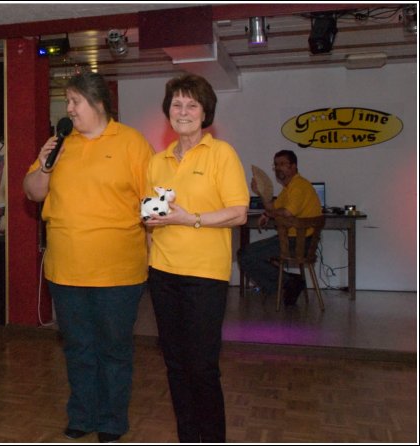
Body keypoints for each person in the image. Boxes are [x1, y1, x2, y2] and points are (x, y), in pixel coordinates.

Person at [22, 72, 152, 444]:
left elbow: (151, 203)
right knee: (78, 347)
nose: (70, 109)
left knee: (113, 348)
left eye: (75, 101)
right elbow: (31, 192)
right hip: (65, 270)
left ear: (97, 103)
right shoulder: (59, 143)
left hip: (118, 272)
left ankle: (112, 420)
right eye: (68, 101)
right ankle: (82, 413)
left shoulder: (131, 143)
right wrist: (47, 163)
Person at [143, 73, 249, 443]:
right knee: (174, 364)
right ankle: (187, 436)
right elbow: (152, 214)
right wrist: (151, 218)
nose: (183, 111)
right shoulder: (158, 161)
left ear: (205, 113)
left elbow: (239, 212)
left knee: (202, 367)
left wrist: (193, 219)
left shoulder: (222, 154)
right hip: (162, 273)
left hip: (205, 276)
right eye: (176, 104)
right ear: (167, 112)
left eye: (191, 105)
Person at [237, 150, 322, 305]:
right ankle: (289, 282)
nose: (278, 168)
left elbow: (287, 212)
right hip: (293, 241)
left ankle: (287, 283)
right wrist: (261, 194)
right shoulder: (289, 188)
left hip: (297, 243)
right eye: (276, 165)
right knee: (247, 254)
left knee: (245, 255)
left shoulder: (298, 186)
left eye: (282, 164)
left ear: (293, 166)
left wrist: (271, 213)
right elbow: (272, 207)